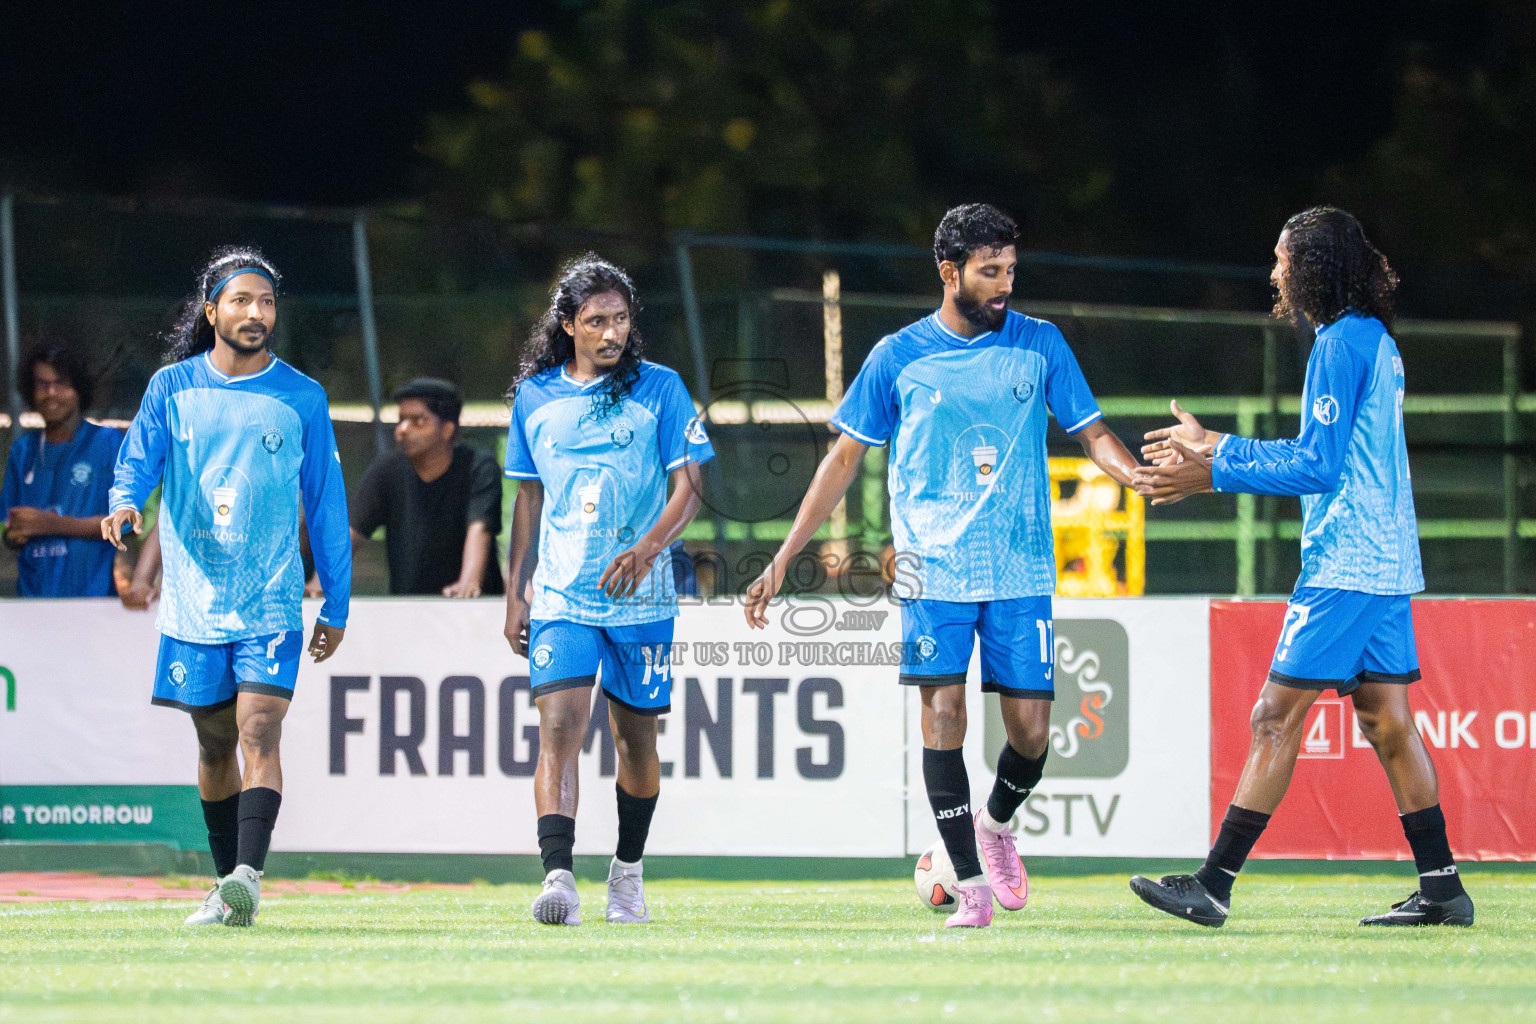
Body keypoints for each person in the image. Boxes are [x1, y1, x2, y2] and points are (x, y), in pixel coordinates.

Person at [744, 204, 1140, 928]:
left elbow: (1093, 432)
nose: (1004, 287)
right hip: (936, 572)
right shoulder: (898, 356)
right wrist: (782, 559)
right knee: (944, 714)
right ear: (948, 271)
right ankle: (970, 884)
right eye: (990, 273)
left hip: (1021, 568)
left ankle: (991, 827)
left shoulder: (1041, 344)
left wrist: (1134, 475)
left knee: (1031, 733)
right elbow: (840, 461)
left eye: (1011, 271)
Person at [1128, 207, 1472, 928]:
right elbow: (1325, 457)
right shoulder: (1371, 338)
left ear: (1314, 266)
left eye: (1283, 258)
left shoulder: (1340, 343)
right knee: (1387, 721)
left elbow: (1316, 465)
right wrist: (1217, 459)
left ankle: (1214, 883)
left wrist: (1216, 458)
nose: (1275, 270)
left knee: (1272, 717)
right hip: (1384, 559)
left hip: (1347, 564)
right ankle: (1442, 887)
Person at [101, 247, 351, 929]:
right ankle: (225, 886)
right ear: (212, 310)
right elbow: (136, 464)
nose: (256, 313)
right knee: (214, 745)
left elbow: (328, 505)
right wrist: (125, 504)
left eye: (266, 302)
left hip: (271, 599)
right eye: (241, 300)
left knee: (259, 730)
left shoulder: (301, 396)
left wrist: (337, 599)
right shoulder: (172, 387)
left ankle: (249, 875)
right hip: (192, 600)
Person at [502, 255, 712, 927]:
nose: (611, 332)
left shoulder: (662, 389)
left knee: (635, 744)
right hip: (562, 593)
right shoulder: (535, 397)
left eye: (620, 319)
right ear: (568, 325)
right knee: (559, 728)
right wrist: (516, 592)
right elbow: (527, 499)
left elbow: (692, 488)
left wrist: (650, 547)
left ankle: (627, 870)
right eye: (596, 321)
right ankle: (558, 876)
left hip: (644, 597)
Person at [308, 377, 504, 599]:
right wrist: (320, 583)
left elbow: (480, 528)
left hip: (475, 611)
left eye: (418, 421)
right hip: (409, 611)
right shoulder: (387, 470)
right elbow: (350, 532)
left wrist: (468, 584)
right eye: (400, 420)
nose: (402, 429)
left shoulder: (478, 467)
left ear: (448, 430)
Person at [1, 346, 124, 596]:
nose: (51, 393)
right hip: (33, 599)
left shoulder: (108, 442)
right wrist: (13, 534)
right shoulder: (23, 451)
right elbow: (7, 528)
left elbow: (127, 524)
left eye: (61, 383)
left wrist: (49, 524)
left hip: (94, 601)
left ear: (79, 390)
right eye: (41, 385)